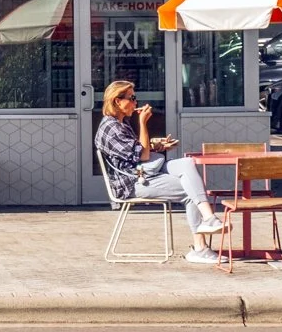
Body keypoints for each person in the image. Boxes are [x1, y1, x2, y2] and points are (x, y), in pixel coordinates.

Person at [94, 79, 226, 263]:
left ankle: (209, 218)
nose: (135, 103)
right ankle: (200, 248)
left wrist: (157, 144)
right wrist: (143, 123)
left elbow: (139, 150)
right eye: (132, 98)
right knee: (190, 189)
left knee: (187, 164)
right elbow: (143, 154)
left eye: (135, 97)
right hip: (132, 182)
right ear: (117, 101)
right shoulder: (111, 128)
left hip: (143, 171)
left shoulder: (120, 123)